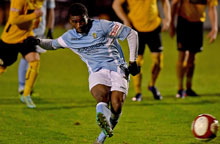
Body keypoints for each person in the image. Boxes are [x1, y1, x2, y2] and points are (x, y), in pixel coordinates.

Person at [27, 3, 140, 143]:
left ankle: (101, 137)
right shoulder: (70, 37)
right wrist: (37, 41)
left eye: (82, 20)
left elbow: (131, 33)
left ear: (87, 18)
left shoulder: (102, 26)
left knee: (117, 105)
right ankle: (101, 116)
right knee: (101, 96)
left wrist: (133, 62)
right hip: (97, 71)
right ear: (70, 21)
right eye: (75, 21)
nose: (79, 24)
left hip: (118, 68)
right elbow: (52, 44)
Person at [112, 0, 171, 101]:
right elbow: (116, 4)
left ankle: (152, 85)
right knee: (136, 62)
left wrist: (168, 19)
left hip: (154, 27)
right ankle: (138, 92)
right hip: (136, 28)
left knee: (158, 62)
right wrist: (125, 20)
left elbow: (165, 2)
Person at [169, 0, 218, 98]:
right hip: (184, 22)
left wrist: (214, 28)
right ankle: (180, 88)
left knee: (192, 58)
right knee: (182, 55)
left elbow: (212, 8)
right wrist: (171, 24)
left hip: (198, 24)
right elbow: (174, 4)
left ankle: (188, 88)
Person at [0, 0, 43, 108]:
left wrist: (37, 19)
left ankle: (26, 94)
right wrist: (34, 15)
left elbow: (34, 12)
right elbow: (14, 19)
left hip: (26, 36)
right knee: (2, 67)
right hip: (10, 38)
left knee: (34, 60)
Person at [18, 0, 55, 96]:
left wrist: (50, 28)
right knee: (27, 57)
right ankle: (23, 88)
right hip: (27, 29)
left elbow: (51, 10)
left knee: (35, 58)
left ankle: (28, 88)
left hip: (40, 31)